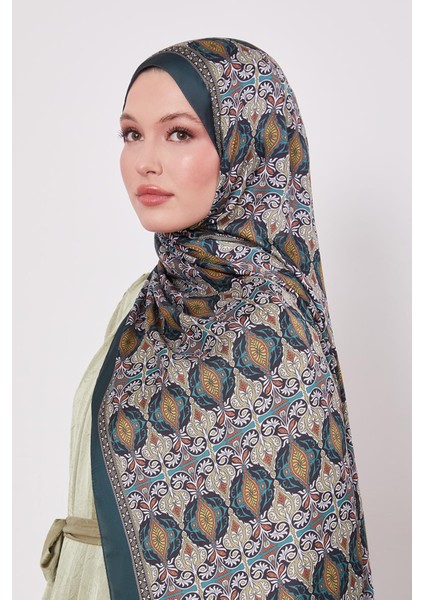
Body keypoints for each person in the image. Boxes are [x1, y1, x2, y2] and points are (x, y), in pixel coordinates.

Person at [41, 37, 374, 599]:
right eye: (131, 134)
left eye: (179, 133)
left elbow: (297, 547)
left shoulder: (272, 320)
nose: (145, 161)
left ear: (246, 146)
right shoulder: (143, 303)